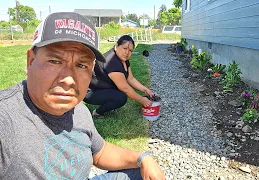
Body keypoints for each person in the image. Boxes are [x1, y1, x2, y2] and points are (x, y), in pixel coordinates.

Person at [0, 12, 165, 180]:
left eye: (81, 65)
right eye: (55, 61)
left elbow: (99, 152)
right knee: (120, 97)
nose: (69, 79)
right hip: (94, 94)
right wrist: (143, 100)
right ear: (30, 61)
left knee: (141, 173)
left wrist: (142, 158)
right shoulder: (5, 119)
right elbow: (125, 87)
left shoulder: (77, 108)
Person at [84, 35, 154, 118]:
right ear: (116, 46)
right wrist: (141, 99)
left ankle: (110, 102)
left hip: (102, 87)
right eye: (124, 48)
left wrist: (145, 89)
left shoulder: (124, 60)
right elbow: (125, 88)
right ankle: (97, 113)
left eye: (130, 50)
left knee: (119, 89)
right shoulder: (111, 61)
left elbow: (130, 78)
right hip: (89, 92)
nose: (127, 52)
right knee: (121, 97)